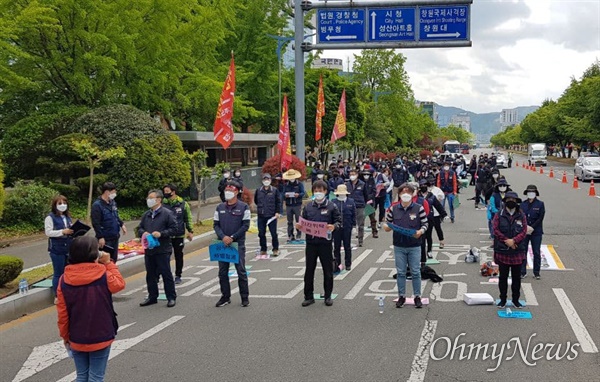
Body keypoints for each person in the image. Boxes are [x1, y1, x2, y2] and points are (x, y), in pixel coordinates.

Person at [57, 236, 125, 382]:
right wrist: (108, 263)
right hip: (102, 333)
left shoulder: (63, 279)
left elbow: (62, 313)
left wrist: (65, 336)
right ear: (95, 255)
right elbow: (119, 284)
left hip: (76, 335)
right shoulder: (104, 274)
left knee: (82, 375)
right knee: (96, 377)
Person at [297, 180, 342, 307]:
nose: (318, 193)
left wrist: (334, 226)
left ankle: (328, 296)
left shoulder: (331, 206)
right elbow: (303, 222)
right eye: (316, 191)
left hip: (325, 243)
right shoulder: (308, 207)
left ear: (325, 192)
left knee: (327, 270)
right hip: (311, 243)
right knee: (309, 270)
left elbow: (339, 221)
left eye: (320, 191)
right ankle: (308, 296)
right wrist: (299, 226)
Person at [384, 183, 428, 309]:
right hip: (399, 245)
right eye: (403, 193)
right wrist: (387, 227)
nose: (405, 195)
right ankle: (401, 296)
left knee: (415, 271)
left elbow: (425, 224)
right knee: (401, 272)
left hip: (414, 245)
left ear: (412, 194)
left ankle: (417, 296)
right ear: (399, 194)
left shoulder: (418, 208)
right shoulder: (394, 208)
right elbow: (388, 223)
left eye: (408, 193)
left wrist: (421, 231)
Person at [213, 181, 251, 307]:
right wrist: (223, 237)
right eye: (226, 190)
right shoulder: (219, 207)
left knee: (241, 271)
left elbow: (245, 226)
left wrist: (233, 237)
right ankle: (225, 296)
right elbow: (216, 225)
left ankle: (244, 298)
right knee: (222, 272)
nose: (227, 192)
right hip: (223, 244)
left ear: (237, 192)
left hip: (237, 244)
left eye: (231, 190)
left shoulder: (244, 207)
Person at [137, 190, 178, 308]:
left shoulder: (167, 213)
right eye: (148, 198)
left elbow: (175, 229)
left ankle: (171, 297)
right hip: (149, 249)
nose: (148, 200)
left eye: (151, 198)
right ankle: (152, 296)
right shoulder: (146, 215)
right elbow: (139, 228)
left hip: (162, 249)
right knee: (150, 274)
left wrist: (161, 234)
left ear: (159, 200)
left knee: (166, 273)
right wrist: (144, 233)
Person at [492, 191, 528, 308]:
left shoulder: (521, 215)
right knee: (503, 277)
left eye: (513, 200)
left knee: (516, 278)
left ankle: (515, 300)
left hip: (517, 251)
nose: (511, 202)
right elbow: (496, 230)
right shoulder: (499, 214)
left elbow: (524, 231)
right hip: (503, 251)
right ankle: (502, 299)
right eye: (508, 200)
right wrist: (507, 240)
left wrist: (514, 241)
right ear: (505, 202)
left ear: (517, 202)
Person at [162, 184, 194, 285]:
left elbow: (188, 218)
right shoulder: (162, 204)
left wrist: (190, 231)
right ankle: (164, 274)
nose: (165, 193)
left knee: (178, 256)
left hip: (179, 234)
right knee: (164, 256)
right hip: (166, 235)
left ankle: (178, 275)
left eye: (167, 191)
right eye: (164, 191)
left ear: (173, 191)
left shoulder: (183, 204)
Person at [45, 195, 74, 304]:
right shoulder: (50, 217)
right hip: (57, 248)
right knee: (58, 273)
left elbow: (70, 229)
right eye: (60, 203)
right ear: (55, 205)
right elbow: (48, 232)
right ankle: (57, 295)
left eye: (64, 203)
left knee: (68, 271)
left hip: (68, 247)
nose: (62, 206)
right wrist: (62, 232)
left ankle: (67, 293)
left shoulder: (67, 217)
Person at [91, 182, 126, 263]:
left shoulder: (112, 203)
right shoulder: (97, 205)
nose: (115, 194)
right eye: (113, 192)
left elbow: (116, 216)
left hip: (115, 236)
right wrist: (100, 237)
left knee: (113, 260)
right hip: (105, 238)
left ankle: (112, 275)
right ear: (107, 192)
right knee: (105, 261)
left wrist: (122, 224)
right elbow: (96, 223)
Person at [520, 185, 545, 280]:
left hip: (536, 231)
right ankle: (523, 272)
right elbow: (520, 217)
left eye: (532, 192)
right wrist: (525, 227)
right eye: (529, 192)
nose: (531, 193)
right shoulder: (523, 204)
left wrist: (532, 227)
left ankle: (536, 272)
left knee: (536, 252)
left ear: (536, 193)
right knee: (523, 251)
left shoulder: (540, 204)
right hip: (525, 231)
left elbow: (540, 217)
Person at [254, 173, 281, 258]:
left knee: (273, 233)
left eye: (268, 179)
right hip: (261, 215)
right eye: (265, 179)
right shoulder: (258, 190)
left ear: (270, 180)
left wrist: (277, 212)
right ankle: (263, 249)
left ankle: (275, 249)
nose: (266, 181)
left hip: (272, 215)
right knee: (261, 233)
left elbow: (278, 202)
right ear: (262, 181)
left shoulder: (274, 190)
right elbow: (256, 201)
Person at [332, 184, 356, 273]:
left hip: (347, 227)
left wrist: (354, 226)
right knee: (336, 247)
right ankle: (337, 264)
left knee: (347, 246)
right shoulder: (334, 202)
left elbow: (353, 215)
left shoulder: (351, 201)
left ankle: (348, 263)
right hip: (336, 228)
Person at [345, 168, 369, 247]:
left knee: (360, 224)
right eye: (350, 174)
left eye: (353, 174)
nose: (352, 176)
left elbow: (366, 195)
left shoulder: (362, 184)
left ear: (357, 175)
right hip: (349, 206)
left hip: (360, 206)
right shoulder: (347, 184)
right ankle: (347, 240)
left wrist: (364, 203)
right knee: (349, 224)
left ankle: (360, 240)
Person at [282, 169, 305, 242]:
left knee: (298, 220)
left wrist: (298, 195)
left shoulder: (299, 184)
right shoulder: (286, 185)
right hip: (289, 205)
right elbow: (282, 194)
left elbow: (303, 193)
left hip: (297, 204)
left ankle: (298, 234)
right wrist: (286, 195)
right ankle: (290, 235)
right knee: (289, 221)